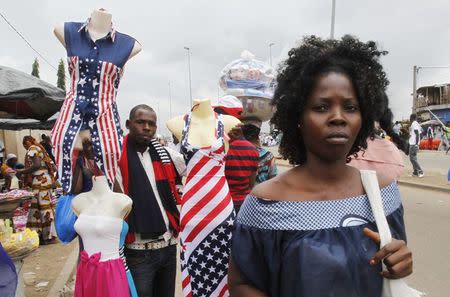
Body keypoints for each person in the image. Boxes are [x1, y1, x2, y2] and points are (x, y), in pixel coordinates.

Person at [228, 35, 413, 297]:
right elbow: (241, 285)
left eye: (350, 107)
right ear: (298, 117)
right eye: (321, 106)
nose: (338, 117)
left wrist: (400, 263)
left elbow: (393, 261)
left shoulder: (384, 193)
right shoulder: (264, 205)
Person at [115, 104, 185, 297]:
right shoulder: (116, 157)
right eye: (140, 122)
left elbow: (193, 164)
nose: (146, 127)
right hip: (138, 251)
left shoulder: (165, 154)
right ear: (129, 124)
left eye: (151, 124)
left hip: (168, 245)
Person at [214, 95, 259, 213]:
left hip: (219, 204)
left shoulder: (214, 148)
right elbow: (251, 184)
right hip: (244, 206)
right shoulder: (252, 150)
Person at [16, 136, 57, 244]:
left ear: (27, 142)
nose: (25, 148)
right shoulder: (41, 148)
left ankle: (44, 236)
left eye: (25, 145)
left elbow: (37, 165)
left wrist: (22, 171)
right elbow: (53, 167)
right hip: (45, 180)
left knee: (41, 208)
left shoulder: (33, 148)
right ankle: (46, 234)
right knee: (44, 207)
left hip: (39, 181)